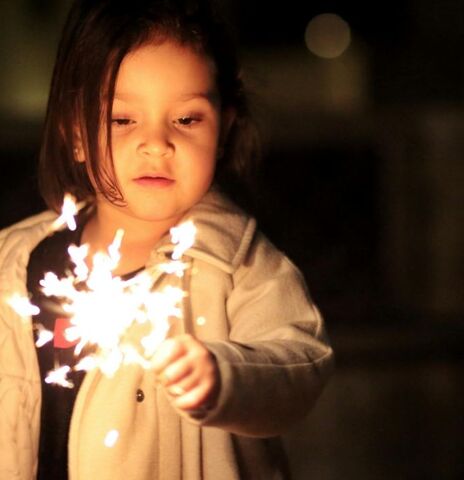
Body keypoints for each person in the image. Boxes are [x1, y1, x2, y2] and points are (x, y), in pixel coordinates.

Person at [0, 0, 334, 479]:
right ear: (75, 131)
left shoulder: (237, 267)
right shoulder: (14, 263)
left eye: (187, 119)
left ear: (224, 129)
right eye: (122, 119)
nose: (156, 143)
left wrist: (225, 375)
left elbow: (301, 364)